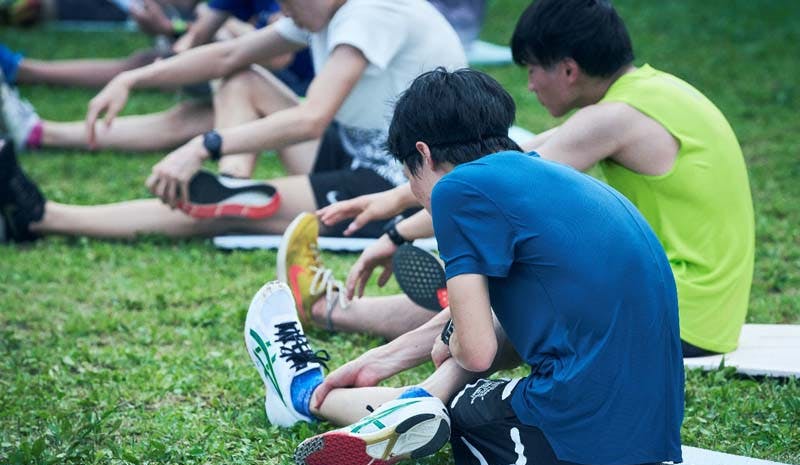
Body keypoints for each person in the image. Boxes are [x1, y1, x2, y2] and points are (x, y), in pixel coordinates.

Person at [244, 68, 685, 465]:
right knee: (474, 348)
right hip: (648, 447)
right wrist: (383, 359)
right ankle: (384, 398)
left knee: (438, 411)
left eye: (410, 178)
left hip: (574, 450)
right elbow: (499, 321)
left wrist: (449, 341)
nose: (417, 193)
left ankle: (302, 393)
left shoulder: (457, 190)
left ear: (423, 154)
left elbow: (475, 353)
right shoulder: (551, 177)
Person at [312, 0, 755, 357]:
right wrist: (394, 200)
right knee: (497, 276)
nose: (529, 85)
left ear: (568, 70)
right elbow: (510, 160)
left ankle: (330, 310)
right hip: (702, 311)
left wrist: (395, 235)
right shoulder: (653, 93)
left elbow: (493, 190)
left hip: (676, 316)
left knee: (498, 282)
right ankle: (344, 312)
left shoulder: (612, 119)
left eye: (532, 69)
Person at [0, 0, 466, 241]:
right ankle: (233, 187)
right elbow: (229, 55)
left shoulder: (371, 11)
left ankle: (42, 218)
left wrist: (205, 143)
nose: (280, 9)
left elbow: (311, 117)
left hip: (402, 185)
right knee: (241, 78)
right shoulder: (330, 10)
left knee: (223, 210)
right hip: (355, 150)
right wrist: (134, 78)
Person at [0, 0, 313, 153]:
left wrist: (188, 34)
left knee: (215, 99)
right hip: (284, 95)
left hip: (297, 95)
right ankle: (37, 131)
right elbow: (197, 42)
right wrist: (152, 67)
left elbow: (276, 57)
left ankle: (231, 188)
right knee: (175, 96)